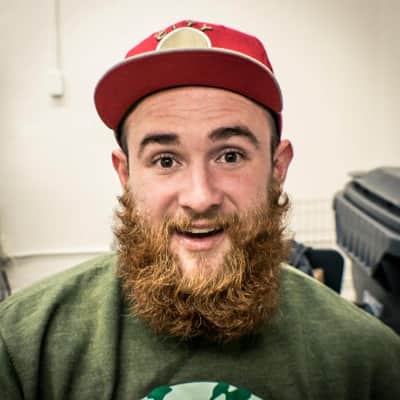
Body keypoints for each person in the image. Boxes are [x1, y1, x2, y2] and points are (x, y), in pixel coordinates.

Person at [1, 20, 399, 400]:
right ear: (125, 173)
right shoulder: (22, 349)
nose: (200, 197)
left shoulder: (368, 362)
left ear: (277, 168)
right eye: (165, 160)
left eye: (230, 156)